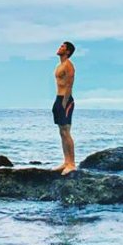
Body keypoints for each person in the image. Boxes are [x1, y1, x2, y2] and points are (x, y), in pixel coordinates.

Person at [52, 41, 77, 175]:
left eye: (62, 46)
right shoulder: (59, 65)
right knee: (62, 132)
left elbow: (69, 85)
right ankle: (66, 162)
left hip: (65, 100)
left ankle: (72, 164)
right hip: (58, 98)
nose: (59, 47)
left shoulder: (69, 65)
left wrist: (65, 102)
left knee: (66, 131)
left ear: (67, 51)